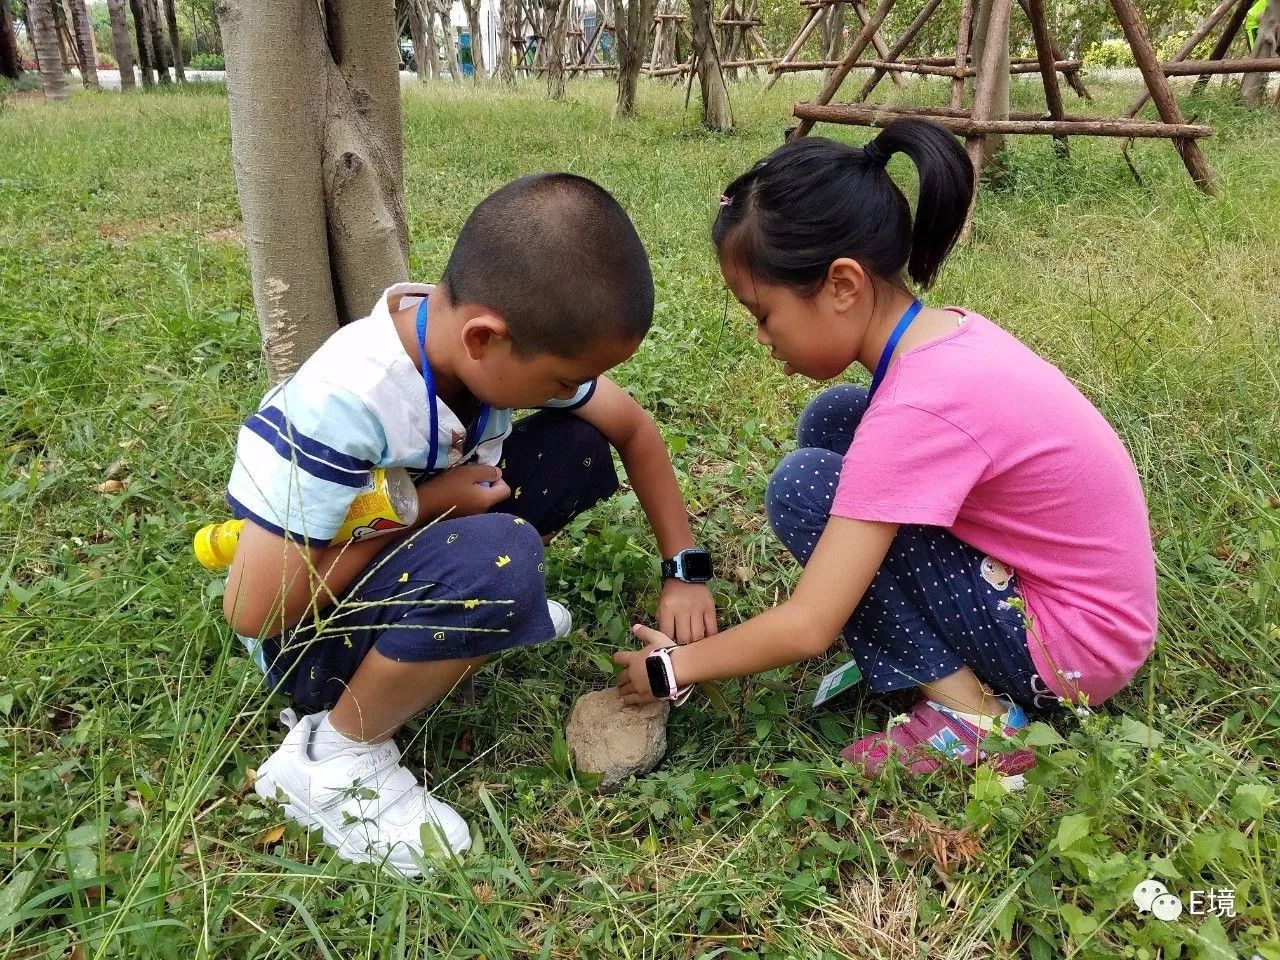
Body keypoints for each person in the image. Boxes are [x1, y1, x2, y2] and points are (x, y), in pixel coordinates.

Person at [614, 120, 1157, 786]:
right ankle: (930, 662)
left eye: (763, 314)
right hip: (1091, 614)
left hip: (1068, 655)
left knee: (806, 488)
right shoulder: (942, 339)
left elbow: (810, 625)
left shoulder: (917, 408)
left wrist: (673, 668)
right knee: (836, 418)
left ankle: (975, 717)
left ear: (843, 286)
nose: (761, 337)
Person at [223, 174, 718, 875]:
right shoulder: (347, 401)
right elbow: (255, 608)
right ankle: (331, 759)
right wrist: (428, 508)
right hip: (306, 643)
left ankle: (467, 614)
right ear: (486, 337)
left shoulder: (476, 336)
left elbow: (630, 427)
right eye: (559, 381)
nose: (567, 393)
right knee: (502, 555)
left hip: (411, 544)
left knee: (575, 449)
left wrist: (683, 566)